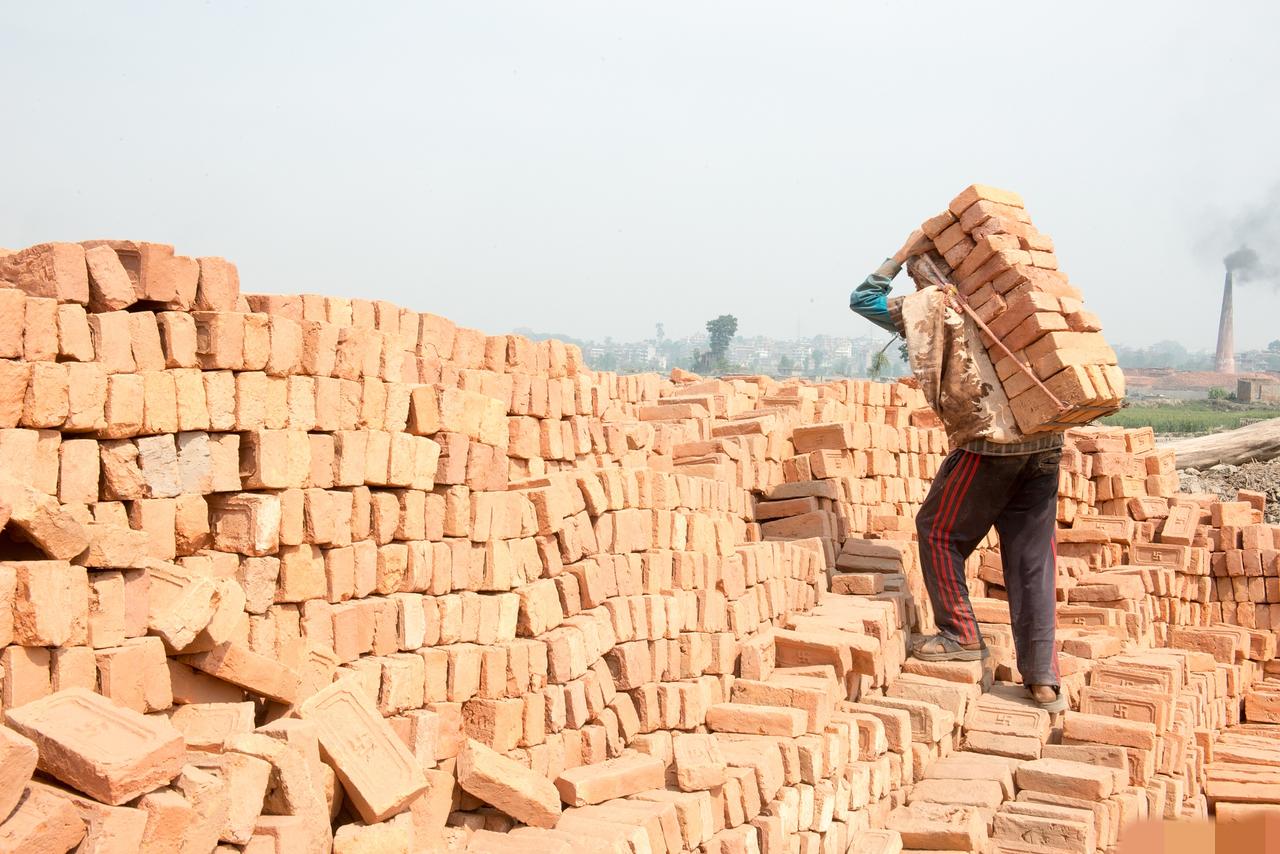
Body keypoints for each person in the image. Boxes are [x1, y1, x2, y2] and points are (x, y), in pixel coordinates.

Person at [849, 229, 1066, 712]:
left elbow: (863, 299)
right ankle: (1043, 678)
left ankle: (961, 634)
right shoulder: (1023, 305)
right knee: (1033, 559)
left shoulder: (933, 309)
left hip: (992, 447)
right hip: (1049, 442)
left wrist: (902, 251)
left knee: (938, 531)